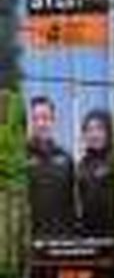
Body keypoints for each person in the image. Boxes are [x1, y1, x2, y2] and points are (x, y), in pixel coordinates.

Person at [26, 95, 76, 239]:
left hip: (61, 241)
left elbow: (73, 202)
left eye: (45, 118)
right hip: (29, 242)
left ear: (53, 121)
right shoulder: (22, 157)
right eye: (35, 119)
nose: (41, 123)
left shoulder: (66, 159)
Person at [75, 109, 114, 238]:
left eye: (99, 129)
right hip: (89, 236)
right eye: (89, 130)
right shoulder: (81, 166)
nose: (94, 134)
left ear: (108, 132)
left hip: (113, 235)